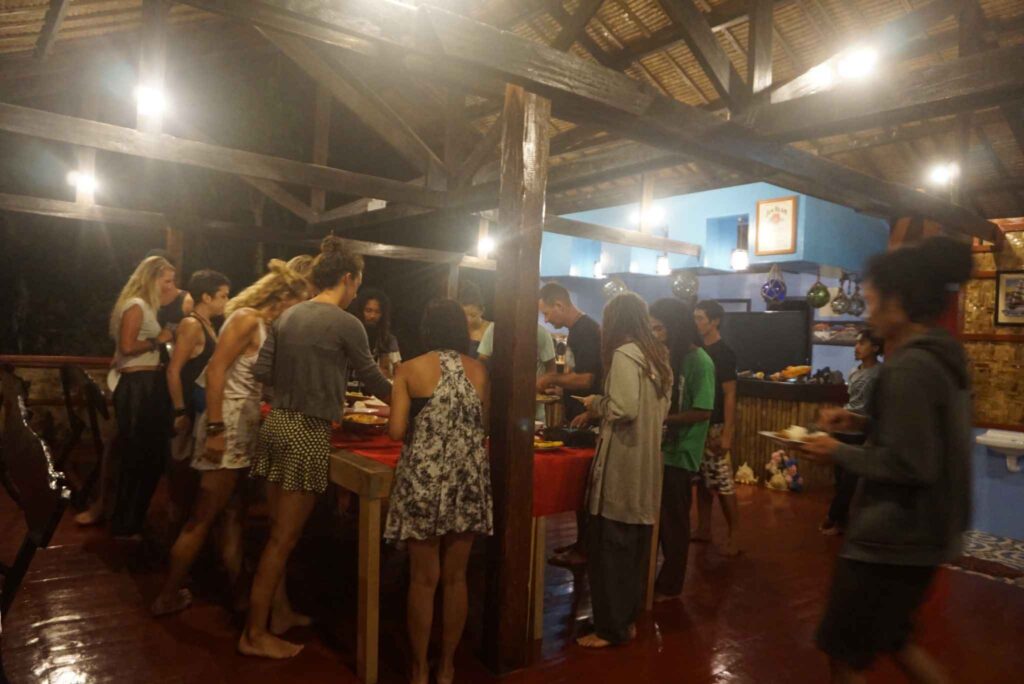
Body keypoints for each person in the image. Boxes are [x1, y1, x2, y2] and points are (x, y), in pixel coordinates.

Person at [801, 236, 972, 684]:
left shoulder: (909, 368)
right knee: (897, 641)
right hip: (925, 532)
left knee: (842, 650)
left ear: (898, 302)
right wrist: (855, 421)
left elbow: (912, 464)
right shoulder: (940, 356)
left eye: (873, 300)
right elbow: (913, 434)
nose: (867, 312)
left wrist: (835, 450)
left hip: (892, 538)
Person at [240, 236, 392, 659]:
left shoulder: (288, 317)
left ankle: (281, 612)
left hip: (276, 425)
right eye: (359, 281)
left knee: (276, 535)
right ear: (347, 278)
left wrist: (303, 383)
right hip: (305, 430)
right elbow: (376, 382)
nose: (360, 290)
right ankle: (253, 634)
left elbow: (261, 371)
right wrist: (411, 400)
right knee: (283, 541)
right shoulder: (346, 322)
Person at [151, 261, 307, 617]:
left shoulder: (262, 325)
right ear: (282, 297)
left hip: (244, 423)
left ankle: (239, 594)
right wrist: (217, 430)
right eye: (298, 304)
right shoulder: (247, 319)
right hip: (230, 425)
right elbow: (216, 370)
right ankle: (167, 595)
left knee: (233, 514)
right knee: (202, 518)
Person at [385, 298, 492, 684]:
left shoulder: (408, 370)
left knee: (422, 579)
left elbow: (397, 431)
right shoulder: (479, 371)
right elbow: (485, 427)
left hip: (424, 480)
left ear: (427, 329)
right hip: (466, 478)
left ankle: (417, 670)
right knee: (457, 578)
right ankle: (447, 665)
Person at [570, 293, 671, 648]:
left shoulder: (624, 354)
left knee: (611, 548)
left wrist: (597, 403)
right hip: (646, 462)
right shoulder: (656, 357)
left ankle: (609, 629)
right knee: (632, 550)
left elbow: (624, 407)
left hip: (624, 462)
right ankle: (624, 622)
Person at [107, 255, 177, 537]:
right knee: (139, 456)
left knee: (142, 455)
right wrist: (158, 340)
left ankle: (129, 520)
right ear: (152, 278)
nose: (170, 286)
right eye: (167, 281)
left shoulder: (144, 306)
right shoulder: (137, 305)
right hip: (139, 385)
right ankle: (126, 523)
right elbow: (126, 345)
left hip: (143, 382)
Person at [649, 298, 715, 601]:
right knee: (660, 517)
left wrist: (661, 418)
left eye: (660, 328)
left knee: (674, 519)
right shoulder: (670, 356)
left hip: (683, 450)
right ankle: (659, 573)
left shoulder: (700, 361)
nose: (656, 333)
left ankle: (672, 582)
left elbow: (703, 410)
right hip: (662, 448)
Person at [536, 282, 602, 566]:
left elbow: (587, 379)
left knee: (584, 483)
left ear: (560, 305)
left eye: (547, 312)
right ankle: (582, 544)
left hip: (587, 415)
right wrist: (561, 387)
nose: (547, 319)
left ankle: (586, 549)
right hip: (580, 411)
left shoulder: (585, 330)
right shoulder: (580, 330)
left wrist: (550, 379)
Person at [164, 270, 231, 528]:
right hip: (188, 407)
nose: (226, 300)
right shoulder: (191, 324)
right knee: (182, 474)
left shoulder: (208, 325)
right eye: (223, 296)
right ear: (206, 296)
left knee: (192, 474)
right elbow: (174, 370)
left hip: (199, 406)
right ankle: (177, 532)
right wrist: (180, 411)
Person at [820, 329, 883, 536]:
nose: (856, 348)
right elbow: (851, 402)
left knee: (850, 480)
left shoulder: (881, 374)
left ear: (875, 348)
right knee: (840, 480)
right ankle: (841, 522)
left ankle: (833, 517)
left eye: (862, 344)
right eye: (856, 344)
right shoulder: (854, 372)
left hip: (861, 430)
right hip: (844, 429)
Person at [693, 300, 741, 556]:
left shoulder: (724, 353)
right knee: (701, 480)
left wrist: (727, 434)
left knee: (723, 481)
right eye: (696, 317)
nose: (697, 322)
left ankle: (735, 534)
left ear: (715, 321)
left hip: (716, 424)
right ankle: (704, 528)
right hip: (699, 423)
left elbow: (730, 394)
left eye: (701, 318)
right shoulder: (697, 349)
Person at [477, 322, 556, 422]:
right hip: (500, 402)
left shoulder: (541, 332)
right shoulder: (494, 328)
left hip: (533, 405)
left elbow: (551, 367)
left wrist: (545, 386)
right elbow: (483, 359)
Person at [351, 287, 402, 379]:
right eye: (368, 310)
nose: (372, 316)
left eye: (377, 312)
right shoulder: (350, 334)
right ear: (361, 311)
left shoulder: (388, 339)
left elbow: (397, 370)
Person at [458, 280, 491, 358]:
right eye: (464, 315)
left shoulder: (490, 329)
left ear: (482, 311)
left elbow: (483, 360)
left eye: (473, 315)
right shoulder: (459, 328)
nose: (468, 319)